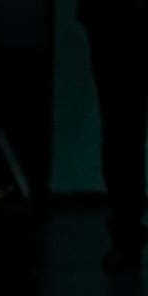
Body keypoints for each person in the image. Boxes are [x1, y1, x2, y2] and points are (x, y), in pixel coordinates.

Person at [78, 0, 147, 273]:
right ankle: (126, 234)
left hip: (113, 18)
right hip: (114, 18)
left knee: (121, 132)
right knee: (121, 132)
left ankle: (126, 236)